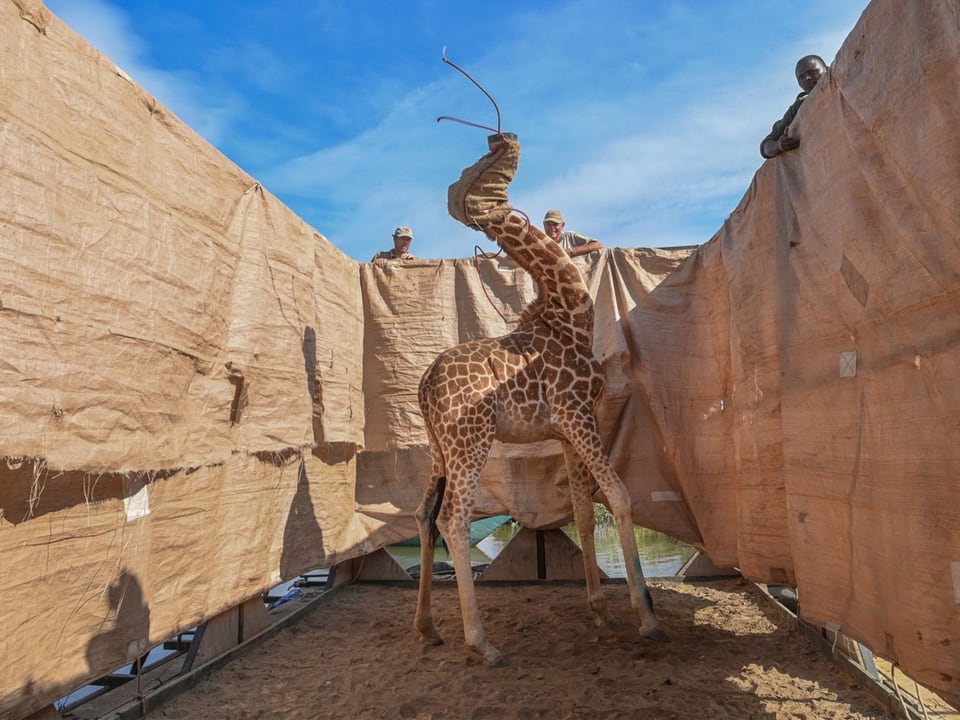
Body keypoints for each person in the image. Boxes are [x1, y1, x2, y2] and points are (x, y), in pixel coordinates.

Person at [760, 54, 828, 159]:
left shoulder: (844, 80)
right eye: (801, 77)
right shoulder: (800, 105)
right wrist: (779, 145)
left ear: (826, 70)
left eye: (812, 72)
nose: (807, 78)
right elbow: (766, 147)